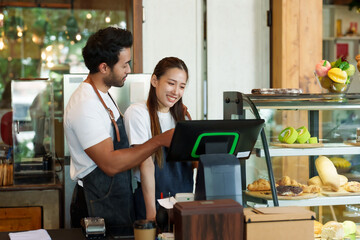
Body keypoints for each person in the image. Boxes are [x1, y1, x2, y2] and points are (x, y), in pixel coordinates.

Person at [63, 27, 174, 229]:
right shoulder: (85, 104)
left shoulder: (104, 94)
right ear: (104, 67)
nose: (129, 70)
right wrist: (158, 140)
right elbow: (110, 164)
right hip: (94, 205)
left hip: (116, 199)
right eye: (124, 65)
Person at [124, 57, 195, 220]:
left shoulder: (183, 118)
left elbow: (193, 164)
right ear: (155, 80)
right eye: (171, 83)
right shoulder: (137, 113)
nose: (176, 91)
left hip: (183, 202)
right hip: (152, 201)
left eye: (182, 86)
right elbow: (146, 164)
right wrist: (151, 213)